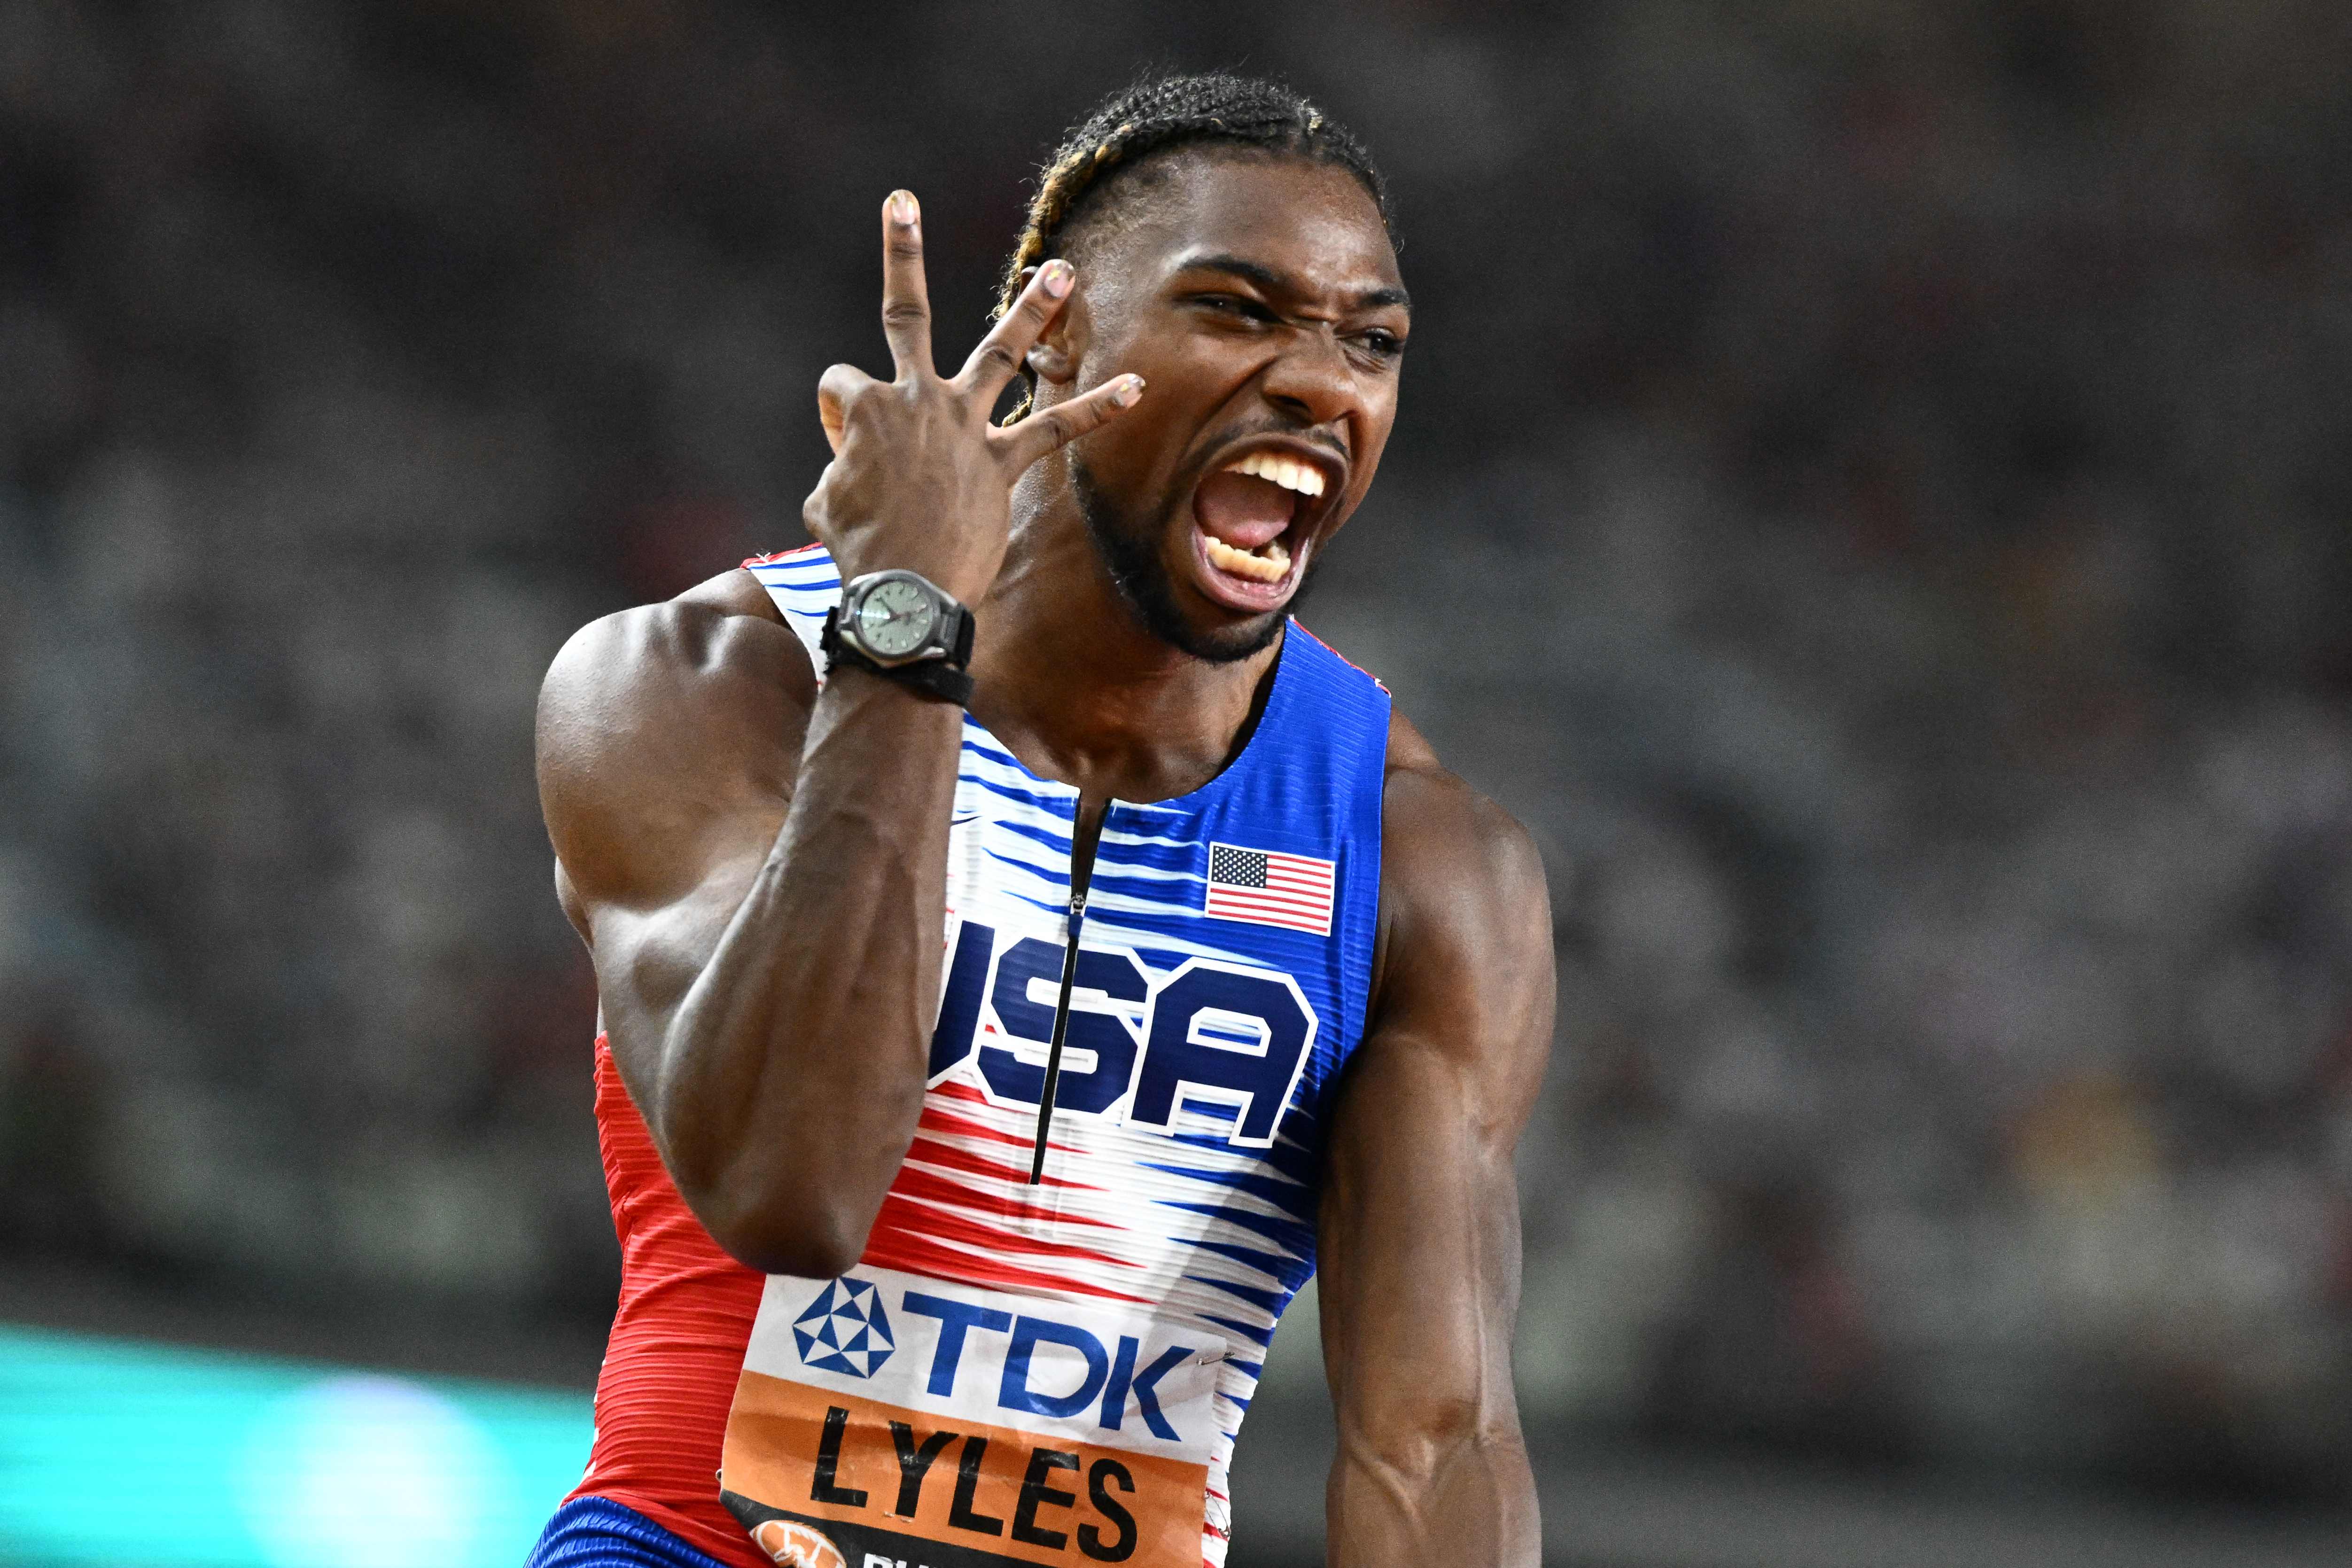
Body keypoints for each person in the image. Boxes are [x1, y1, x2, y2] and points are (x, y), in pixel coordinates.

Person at [529, 73, 1553, 1568]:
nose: (1322, 382)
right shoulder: (707, 682)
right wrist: (903, 635)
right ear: (1054, 327)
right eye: (1239, 309)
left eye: (1370, 342)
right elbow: (792, 1187)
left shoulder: (1423, 856)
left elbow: (1438, 1441)